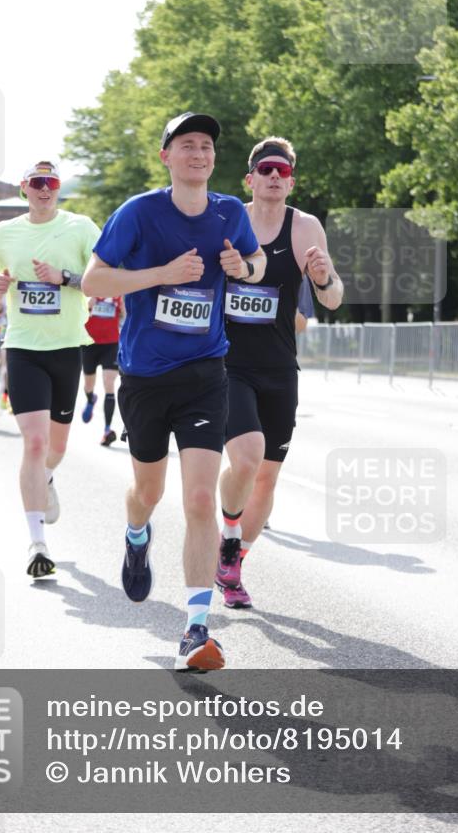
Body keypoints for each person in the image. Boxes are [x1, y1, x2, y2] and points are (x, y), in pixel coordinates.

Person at [82, 112, 266, 671]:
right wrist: (159, 274)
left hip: (205, 372)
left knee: (198, 499)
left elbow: (256, 263)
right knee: (148, 490)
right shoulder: (139, 212)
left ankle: (195, 629)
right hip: (144, 374)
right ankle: (137, 534)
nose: (199, 153)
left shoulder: (229, 211)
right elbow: (93, 280)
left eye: (207, 145)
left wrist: (246, 267)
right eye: (187, 145)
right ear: (167, 156)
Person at [216, 136, 343, 609]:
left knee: (266, 479)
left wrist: (326, 276)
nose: (274, 176)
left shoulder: (306, 227)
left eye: (283, 171)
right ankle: (228, 536)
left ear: (291, 180)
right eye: (266, 169)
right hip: (228, 363)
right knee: (247, 459)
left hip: (279, 368)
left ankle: (232, 566)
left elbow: (331, 299)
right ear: (250, 179)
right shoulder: (228, 220)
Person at [0, 161, 100, 578]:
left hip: (67, 347)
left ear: (58, 188)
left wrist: (65, 277)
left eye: (50, 183)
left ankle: (44, 479)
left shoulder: (81, 226)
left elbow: (103, 279)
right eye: (37, 183)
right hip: (23, 347)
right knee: (33, 442)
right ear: (24, 188)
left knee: (56, 449)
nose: (44, 189)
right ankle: (37, 543)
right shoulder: (6, 231)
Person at [81, 295, 126, 446]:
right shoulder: (91, 291)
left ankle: (107, 430)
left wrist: (122, 305)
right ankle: (90, 399)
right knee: (88, 385)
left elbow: (126, 316)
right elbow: (78, 314)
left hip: (111, 344)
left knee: (109, 384)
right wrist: (88, 306)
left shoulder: (118, 294)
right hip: (89, 344)